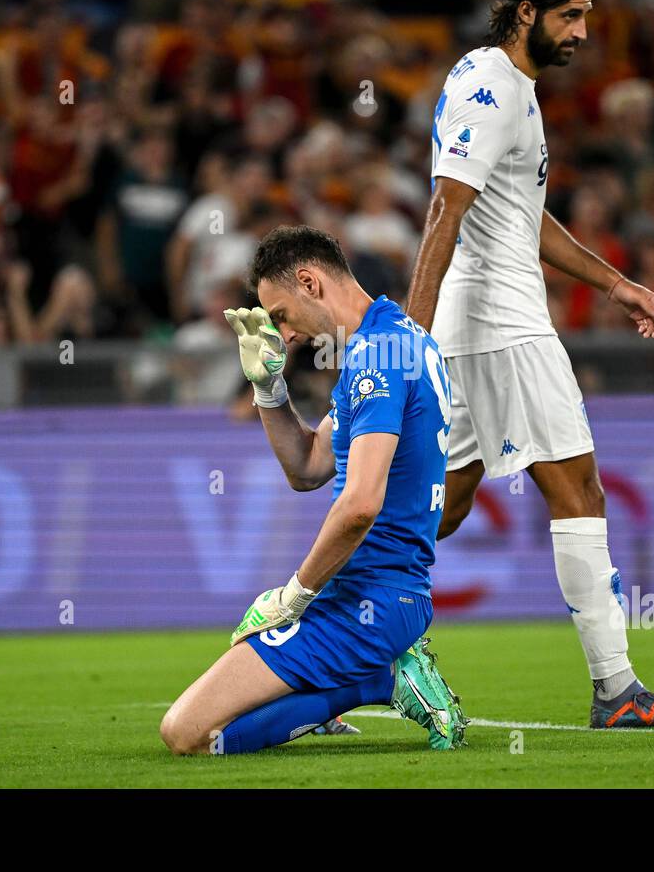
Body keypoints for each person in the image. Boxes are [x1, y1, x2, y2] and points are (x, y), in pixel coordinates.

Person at [406, 0, 654, 729]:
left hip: (475, 322)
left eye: (587, 15)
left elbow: (518, 215)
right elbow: (447, 207)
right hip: (501, 323)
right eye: (571, 16)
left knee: (438, 502)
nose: (582, 32)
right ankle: (616, 689)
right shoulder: (494, 86)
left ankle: (317, 637)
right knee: (578, 489)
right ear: (528, 12)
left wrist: (612, 281)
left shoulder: (507, 84)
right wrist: (409, 331)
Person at [160, 225, 467, 754]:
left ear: (309, 281)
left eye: (280, 315)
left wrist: (293, 595)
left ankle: (382, 678)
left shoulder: (377, 359)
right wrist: (268, 389)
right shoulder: (393, 341)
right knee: (222, 709)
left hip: (368, 599)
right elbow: (307, 467)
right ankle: (360, 677)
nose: (286, 333)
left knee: (187, 734)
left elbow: (360, 507)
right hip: (371, 594)